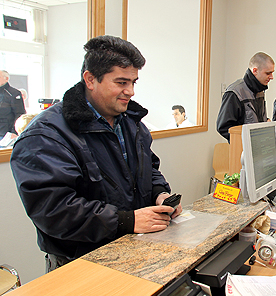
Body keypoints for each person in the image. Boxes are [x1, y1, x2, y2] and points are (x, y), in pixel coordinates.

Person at [10, 35, 182, 272]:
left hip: (135, 249)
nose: (130, 91)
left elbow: (148, 169)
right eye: (121, 82)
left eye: (134, 82)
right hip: (80, 262)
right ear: (90, 79)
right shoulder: (45, 135)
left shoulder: (131, 123)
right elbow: (54, 211)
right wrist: (127, 220)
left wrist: (160, 194)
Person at [216, 52, 274, 142]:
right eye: (268, 73)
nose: (271, 77)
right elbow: (224, 127)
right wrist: (246, 140)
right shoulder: (235, 92)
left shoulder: (260, 91)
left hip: (260, 147)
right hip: (241, 150)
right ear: (255, 71)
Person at [0, 70, 26, 138]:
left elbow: (20, 113)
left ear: (6, 79)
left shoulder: (14, 93)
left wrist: (14, 132)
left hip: (6, 134)